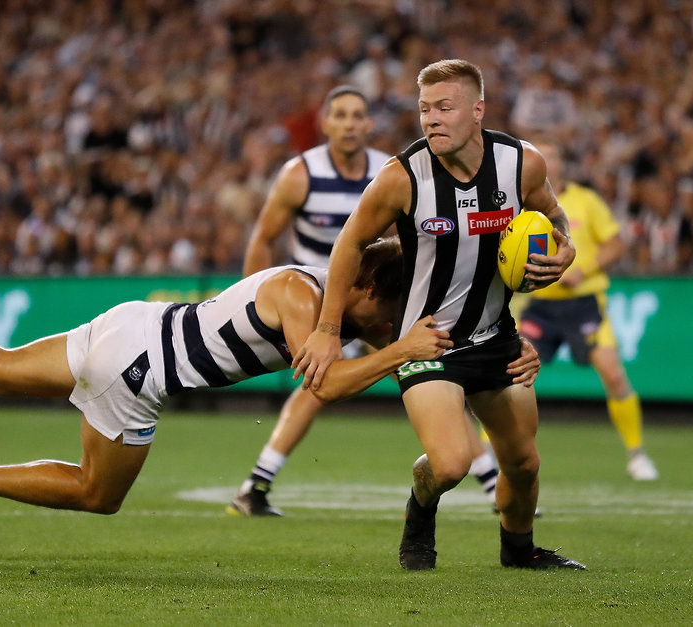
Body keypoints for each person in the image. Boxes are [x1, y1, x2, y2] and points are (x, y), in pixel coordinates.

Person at [0, 240, 464, 523]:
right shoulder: (302, 297)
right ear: (368, 286)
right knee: (97, 493)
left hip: (134, 326)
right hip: (138, 370)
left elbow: (362, 358)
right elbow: (325, 385)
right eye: (387, 313)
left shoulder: (309, 286)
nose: (386, 327)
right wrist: (402, 347)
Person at [293, 59, 586, 570]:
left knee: (523, 462)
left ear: (478, 110)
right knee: (451, 464)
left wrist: (567, 250)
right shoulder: (401, 177)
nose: (431, 119)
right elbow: (349, 244)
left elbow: (553, 216)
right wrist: (327, 329)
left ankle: (519, 551)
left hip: (496, 336)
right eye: (424, 109)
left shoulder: (523, 164)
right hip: (427, 341)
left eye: (444, 108)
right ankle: (420, 506)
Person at [231, 85, 506, 516]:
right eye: (339, 115)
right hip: (318, 303)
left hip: (377, 300)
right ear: (325, 123)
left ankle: (492, 483)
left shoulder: (394, 170)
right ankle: (256, 484)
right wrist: (249, 306)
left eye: (357, 115)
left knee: (433, 374)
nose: (349, 124)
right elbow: (264, 238)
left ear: (369, 124)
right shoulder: (300, 174)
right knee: (319, 385)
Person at [519, 140, 658, 481]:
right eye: (540, 158)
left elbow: (615, 243)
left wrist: (586, 268)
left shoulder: (586, 201)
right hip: (538, 305)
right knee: (509, 379)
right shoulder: (519, 204)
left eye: (552, 157)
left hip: (584, 304)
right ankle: (495, 457)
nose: (546, 164)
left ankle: (637, 454)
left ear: (563, 165)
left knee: (613, 374)